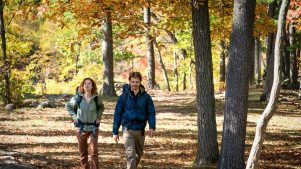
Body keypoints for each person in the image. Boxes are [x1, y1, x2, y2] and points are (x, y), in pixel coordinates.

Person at [112, 72, 156, 169]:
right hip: (127, 129)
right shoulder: (123, 97)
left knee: (138, 154)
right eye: (133, 82)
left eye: (137, 82)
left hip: (140, 130)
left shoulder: (146, 97)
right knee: (131, 155)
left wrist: (152, 126)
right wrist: (115, 132)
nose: (135, 84)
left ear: (140, 82)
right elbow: (117, 114)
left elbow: (151, 112)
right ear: (129, 82)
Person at [66, 78, 104, 169]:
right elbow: (68, 106)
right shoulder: (77, 98)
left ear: (92, 86)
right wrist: (75, 118)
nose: (87, 85)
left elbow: (101, 107)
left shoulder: (96, 98)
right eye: (85, 83)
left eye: (89, 83)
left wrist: (98, 117)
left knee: (94, 151)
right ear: (82, 86)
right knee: (83, 153)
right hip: (81, 128)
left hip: (93, 128)